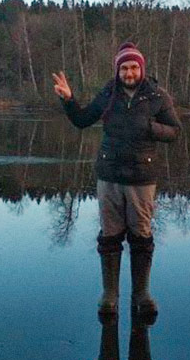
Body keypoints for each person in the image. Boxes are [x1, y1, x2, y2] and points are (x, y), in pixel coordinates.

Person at [52, 42, 181, 317]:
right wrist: (68, 99)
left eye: (134, 67)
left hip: (142, 178)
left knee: (141, 236)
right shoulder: (108, 93)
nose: (129, 72)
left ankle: (141, 293)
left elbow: (174, 131)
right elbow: (82, 120)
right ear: (118, 70)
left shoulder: (157, 96)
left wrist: (149, 127)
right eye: (124, 68)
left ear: (141, 68)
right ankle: (110, 294)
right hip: (109, 175)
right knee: (110, 236)